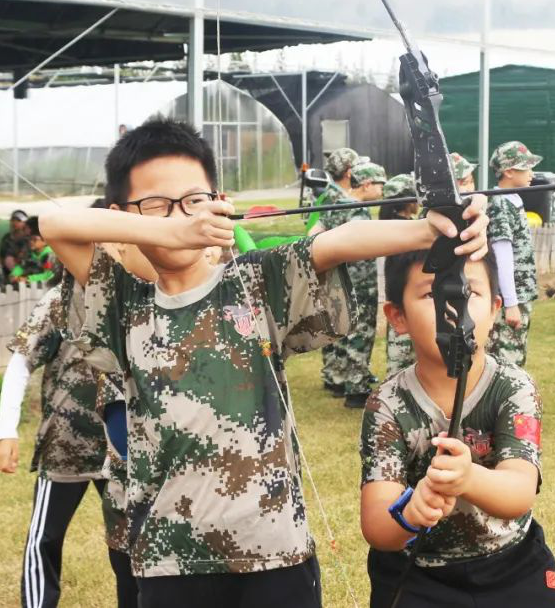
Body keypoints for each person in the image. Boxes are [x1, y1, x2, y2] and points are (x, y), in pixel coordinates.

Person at [40, 116, 488, 607]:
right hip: (169, 558)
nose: (180, 217)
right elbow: (55, 222)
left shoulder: (255, 282)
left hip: (275, 553)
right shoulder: (124, 301)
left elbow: (336, 243)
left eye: (194, 200)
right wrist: (168, 230)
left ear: (219, 202)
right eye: (155, 206)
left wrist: (429, 228)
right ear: (123, 214)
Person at [361, 248, 555, 608]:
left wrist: (467, 479)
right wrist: (411, 513)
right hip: (417, 572)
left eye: (468, 293)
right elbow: (377, 526)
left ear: (494, 308)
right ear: (398, 316)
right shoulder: (387, 404)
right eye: (431, 294)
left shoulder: (514, 387)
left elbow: (519, 492)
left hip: (512, 561)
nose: (452, 308)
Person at [0, 281, 139, 608]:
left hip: (122, 448)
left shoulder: (137, 291)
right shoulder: (61, 299)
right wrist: (6, 430)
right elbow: (21, 361)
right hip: (65, 445)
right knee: (45, 539)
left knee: (132, 541)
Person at [312, 160, 388, 408]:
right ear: (366, 185)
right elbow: (363, 247)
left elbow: (316, 232)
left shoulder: (336, 204)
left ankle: (340, 379)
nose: (382, 190)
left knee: (342, 330)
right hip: (359, 282)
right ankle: (357, 388)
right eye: (380, 185)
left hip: (338, 280)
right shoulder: (358, 210)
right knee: (360, 333)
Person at [485, 141, 541, 368]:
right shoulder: (500, 203)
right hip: (512, 294)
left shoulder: (513, 199)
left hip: (521, 292)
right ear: (508, 172)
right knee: (507, 358)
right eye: (526, 168)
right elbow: (502, 256)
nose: (532, 173)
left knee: (516, 354)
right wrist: (511, 303)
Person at [379, 173, 420, 378]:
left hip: (404, 296)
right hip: (402, 297)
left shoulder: (399, 224)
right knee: (400, 356)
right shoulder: (400, 228)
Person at [9, 216, 60, 285]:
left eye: (34, 240)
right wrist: (14, 274)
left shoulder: (51, 255)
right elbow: (21, 266)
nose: (31, 242)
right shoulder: (29, 254)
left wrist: (28, 279)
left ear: (45, 241)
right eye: (30, 239)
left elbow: (49, 275)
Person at [0, 210, 31, 276]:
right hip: (6, 269)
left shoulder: (29, 238)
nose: (15, 223)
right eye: (13, 220)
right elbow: (1, 255)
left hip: (23, 269)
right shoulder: (6, 237)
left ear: (25, 222)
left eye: (18, 221)